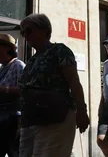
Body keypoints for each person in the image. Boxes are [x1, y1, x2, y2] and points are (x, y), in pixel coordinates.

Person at [19, 13, 90, 157]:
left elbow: (74, 82)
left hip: (55, 118)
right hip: (31, 122)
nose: (25, 35)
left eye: (29, 30)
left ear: (45, 30)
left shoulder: (59, 51)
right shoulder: (32, 60)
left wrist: (82, 111)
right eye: (23, 32)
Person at [0, 34, 25, 157]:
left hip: (13, 119)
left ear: (5, 49)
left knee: (13, 151)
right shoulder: (3, 68)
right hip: (3, 117)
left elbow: (24, 90)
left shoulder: (18, 65)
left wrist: (5, 89)